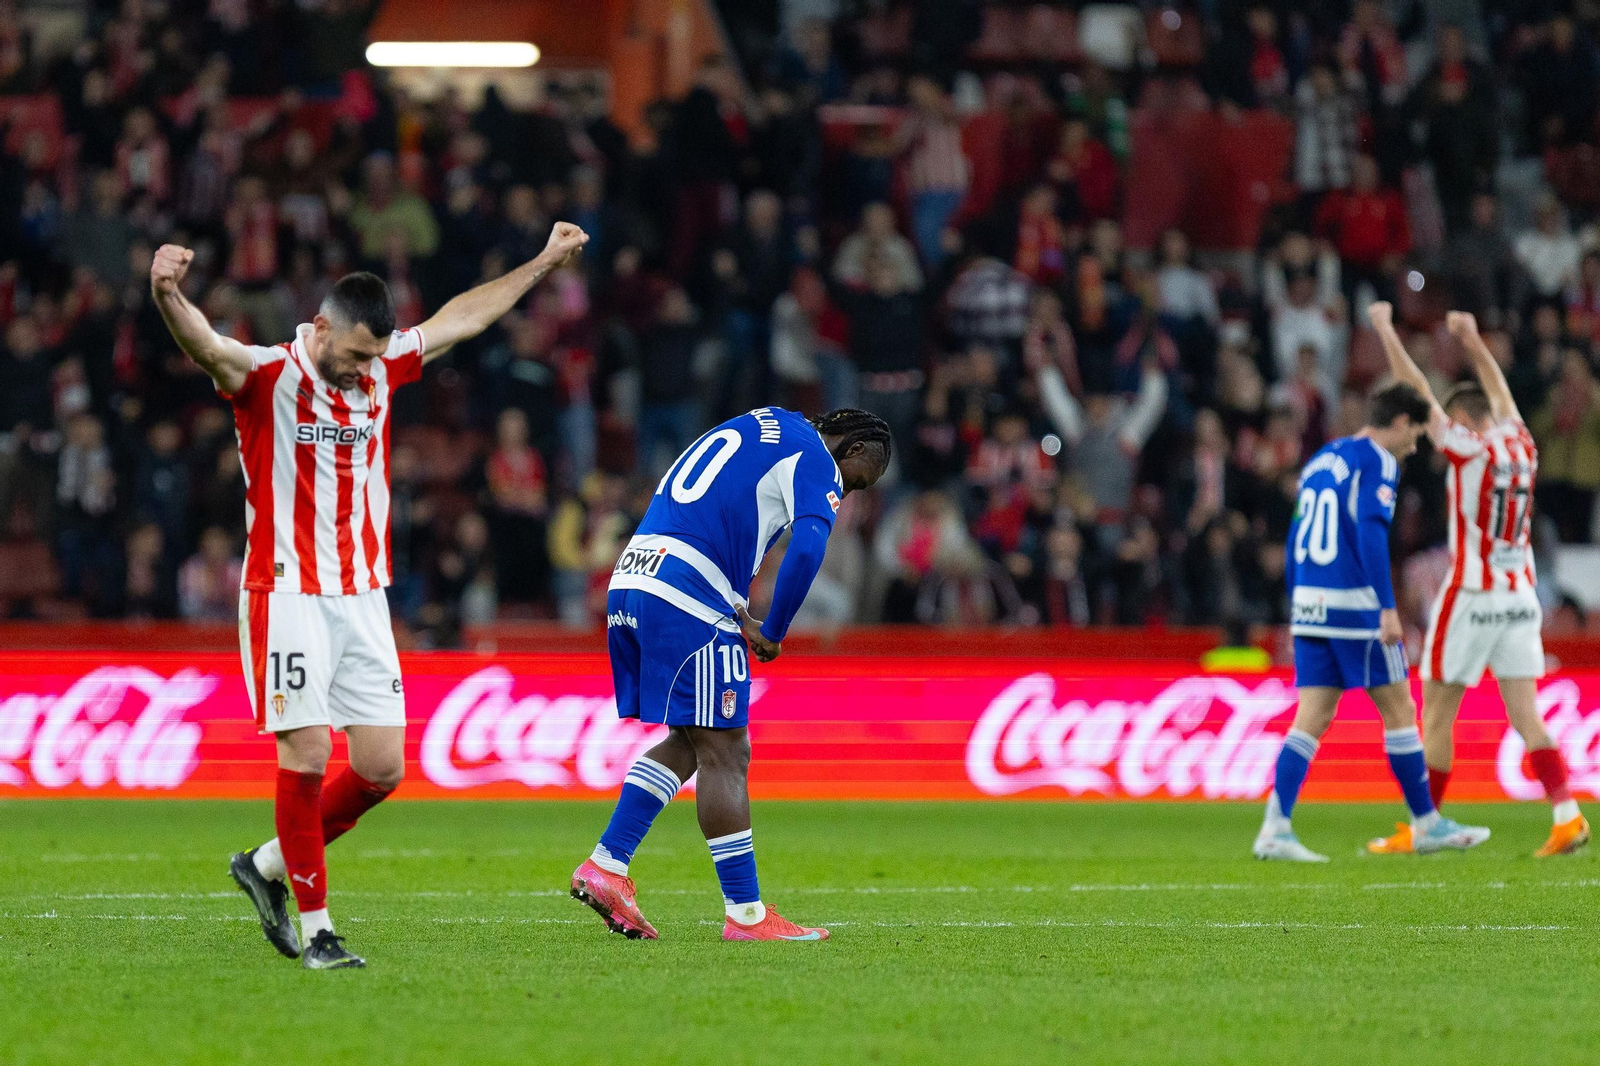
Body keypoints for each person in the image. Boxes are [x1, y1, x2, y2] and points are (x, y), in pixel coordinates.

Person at [150, 222, 589, 969]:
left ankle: (262, 868)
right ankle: (319, 932)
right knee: (310, 751)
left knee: (382, 768)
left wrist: (542, 263)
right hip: (285, 590)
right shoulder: (265, 376)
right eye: (354, 355)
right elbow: (205, 346)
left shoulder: (382, 369)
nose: (364, 371)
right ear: (320, 328)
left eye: (374, 358)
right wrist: (166, 291)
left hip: (361, 594)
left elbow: (462, 317)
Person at [571, 407, 890, 941]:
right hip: (689, 592)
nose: (848, 492)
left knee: (692, 741)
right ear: (854, 449)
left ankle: (607, 866)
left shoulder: (761, 424)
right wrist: (775, 627)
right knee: (727, 750)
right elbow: (810, 543)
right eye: (859, 481)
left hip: (633, 578)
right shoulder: (817, 454)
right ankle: (746, 916)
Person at [1365, 306, 1587, 857]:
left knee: (1437, 713)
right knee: (1525, 713)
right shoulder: (1523, 444)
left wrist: (1388, 330)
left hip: (1471, 597)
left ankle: (1426, 825)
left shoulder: (1468, 449)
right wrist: (1471, 338)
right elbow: (1499, 387)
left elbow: (1416, 389)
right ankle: (1567, 816)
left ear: (1463, 420)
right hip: (1519, 598)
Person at [1253, 379, 1490, 862]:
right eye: (1416, 434)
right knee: (1401, 709)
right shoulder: (1378, 462)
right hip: (1351, 604)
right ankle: (1427, 824)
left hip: (1311, 604)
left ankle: (1275, 829)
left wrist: (1296, 599)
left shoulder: (1324, 457)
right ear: (1400, 422)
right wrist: (1386, 607)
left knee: (1313, 715)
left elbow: (1298, 529)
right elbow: (1368, 531)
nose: (1416, 445)